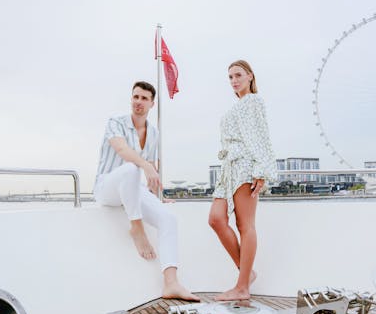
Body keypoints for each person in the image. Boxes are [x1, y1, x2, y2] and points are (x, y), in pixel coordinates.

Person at [94, 81, 199, 301]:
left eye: (143, 98)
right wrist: (147, 166)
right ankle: (137, 228)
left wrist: (158, 197)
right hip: (107, 188)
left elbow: (151, 173)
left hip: (133, 189)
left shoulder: (152, 133)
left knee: (169, 219)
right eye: (135, 97)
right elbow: (123, 150)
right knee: (132, 167)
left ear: (152, 103)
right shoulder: (116, 123)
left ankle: (171, 283)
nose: (138, 102)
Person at [208, 60, 277, 301]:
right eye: (230, 77)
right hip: (229, 169)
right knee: (216, 219)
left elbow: (260, 136)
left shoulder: (253, 101)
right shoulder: (239, 105)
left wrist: (261, 170)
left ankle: (242, 286)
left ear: (250, 76)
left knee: (245, 225)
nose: (234, 80)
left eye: (238, 75)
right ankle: (247, 274)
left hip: (246, 166)